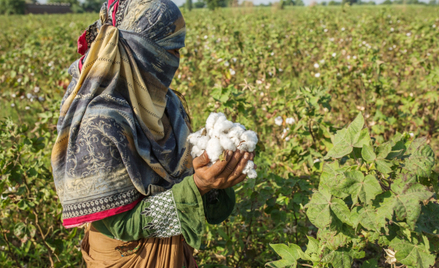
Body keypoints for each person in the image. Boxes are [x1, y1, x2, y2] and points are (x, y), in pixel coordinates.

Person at [51, 0, 255, 267]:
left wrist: (213, 172)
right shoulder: (97, 126)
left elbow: (182, 179)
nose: (175, 62)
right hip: (126, 257)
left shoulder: (168, 104)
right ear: (139, 52)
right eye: (167, 51)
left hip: (174, 250)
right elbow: (120, 225)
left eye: (177, 51)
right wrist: (198, 186)